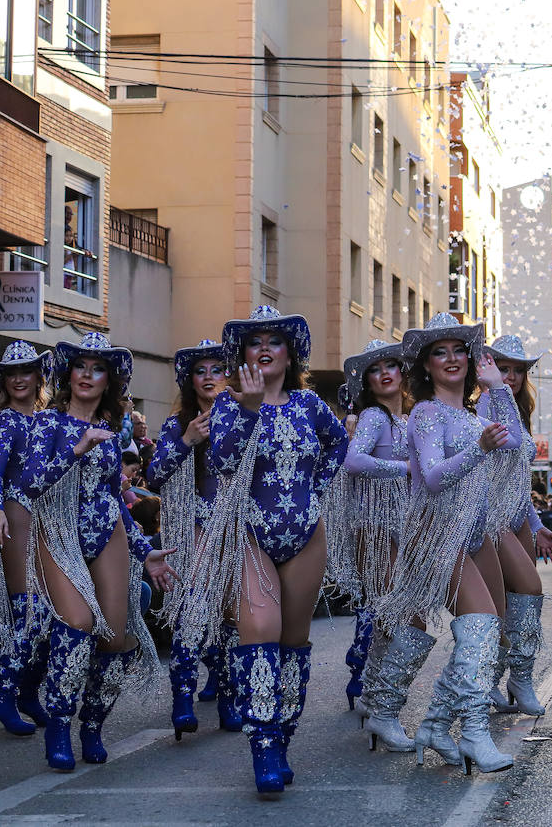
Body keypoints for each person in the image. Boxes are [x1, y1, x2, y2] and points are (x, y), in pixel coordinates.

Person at [173, 306, 348, 794]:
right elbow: (225, 463)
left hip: (306, 535)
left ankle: (283, 736)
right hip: (248, 535)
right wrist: (249, 409)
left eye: (276, 340)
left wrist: (318, 488)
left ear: (290, 353)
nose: (265, 347)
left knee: (293, 644)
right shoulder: (228, 405)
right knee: (261, 632)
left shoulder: (310, 404)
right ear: (243, 355)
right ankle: (263, 749)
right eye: (255, 341)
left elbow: (338, 445)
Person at [20, 332, 177, 770]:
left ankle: (92, 724)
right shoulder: (47, 425)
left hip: (107, 532)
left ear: (109, 381)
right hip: (59, 533)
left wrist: (145, 550)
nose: (88, 375)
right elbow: (31, 486)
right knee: (77, 622)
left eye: (98, 368)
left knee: (116, 636)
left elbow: (115, 497)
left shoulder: (109, 435)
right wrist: (75, 450)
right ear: (69, 375)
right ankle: (58, 724)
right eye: (81, 367)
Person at [371, 313, 517, 774]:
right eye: (440, 352)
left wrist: (499, 389)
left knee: (491, 627)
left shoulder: (474, 413)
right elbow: (432, 479)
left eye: (459, 350)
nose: (451, 359)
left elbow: (517, 447)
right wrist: (479, 450)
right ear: (427, 366)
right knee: (478, 624)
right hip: (435, 532)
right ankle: (471, 731)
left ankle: (435, 723)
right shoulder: (428, 413)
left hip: (471, 533)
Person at [337, 339, 430, 753]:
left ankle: (377, 701)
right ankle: (385, 712)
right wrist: (404, 467)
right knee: (408, 620)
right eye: (376, 369)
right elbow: (353, 461)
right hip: (373, 529)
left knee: (391, 622)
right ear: (367, 382)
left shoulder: (408, 418)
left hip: (404, 528)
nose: (386, 373)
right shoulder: (373, 417)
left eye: (392, 365)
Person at [146, 339, 237, 740]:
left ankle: (229, 696)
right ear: (190, 380)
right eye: (200, 371)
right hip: (195, 530)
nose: (208, 378)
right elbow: (153, 477)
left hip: (239, 529)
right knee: (193, 611)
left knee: (233, 616)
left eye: (216, 370)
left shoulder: (245, 417)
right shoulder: (178, 422)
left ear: (230, 375)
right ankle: (182, 699)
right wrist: (187, 440)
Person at [477, 334, 552, 716]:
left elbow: (518, 479)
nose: (508, 376)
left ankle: (496, 681)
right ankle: (517, 678)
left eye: (516, 370)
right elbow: (509, 453)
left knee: (511, 605)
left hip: (517, 516)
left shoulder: (517, 409)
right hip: (490, 518)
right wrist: (495, 391)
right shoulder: (482, 409)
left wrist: (536, 523)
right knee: (526, 589)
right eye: (502, 367)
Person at [0, 341, 52, 737]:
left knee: (53, 612)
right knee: (30, 611)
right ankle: (5, 694)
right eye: (11, 372)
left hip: (50, 523)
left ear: (39, 378)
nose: (18, 378)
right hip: (15, 516)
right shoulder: (5, 422)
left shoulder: (48, 421)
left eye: (26, 371)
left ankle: (29, 693)